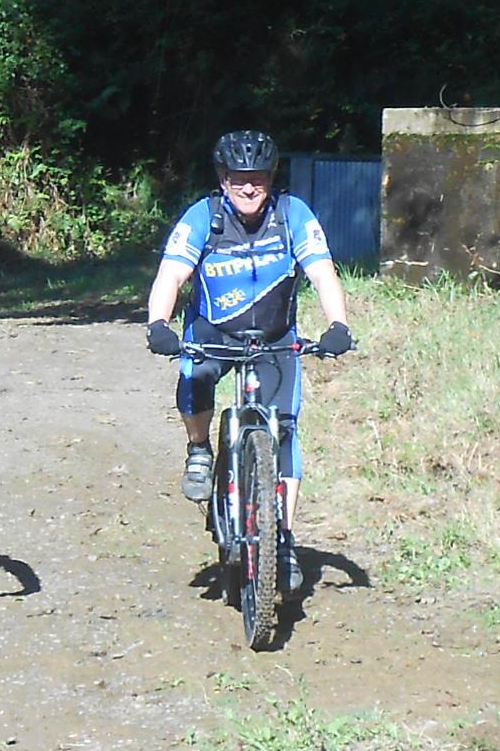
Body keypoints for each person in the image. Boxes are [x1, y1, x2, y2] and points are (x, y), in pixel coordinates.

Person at [144, 129, 353, 591]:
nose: (248, 187)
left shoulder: (292, 214)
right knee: (194, 377)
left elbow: (323, 273)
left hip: (274, 339)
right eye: (238, 178)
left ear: (271, 178)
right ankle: (200, 448)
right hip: (213, 332)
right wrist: (159, 323)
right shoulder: (204, 217)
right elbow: (171, 275)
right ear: (222, 179)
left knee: (286, 432)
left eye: (257, 177)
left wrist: (338, 325)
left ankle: (283, 537)